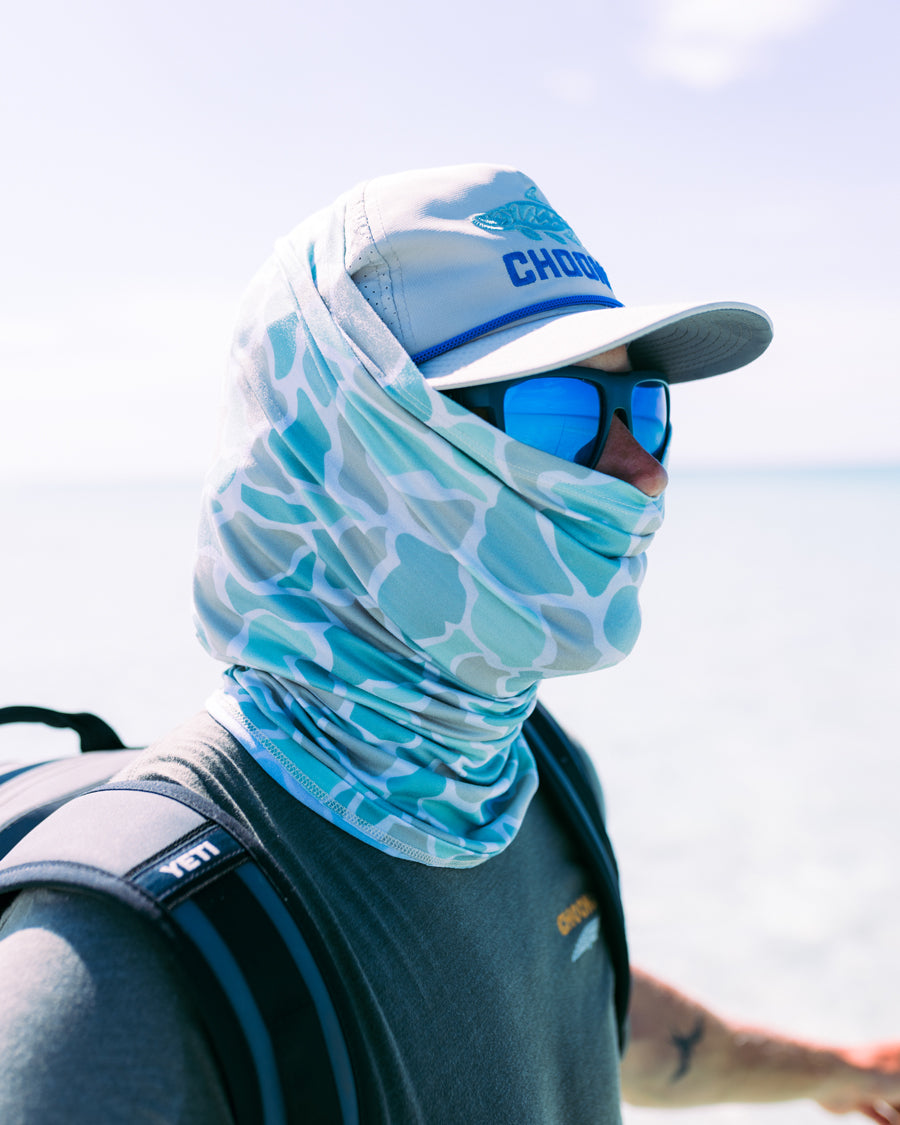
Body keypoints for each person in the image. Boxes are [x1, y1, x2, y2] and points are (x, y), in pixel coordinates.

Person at [0, 162, 898, 1124]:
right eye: (559, 414)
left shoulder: (527, 777)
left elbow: (564, 1006)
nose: (642, 475)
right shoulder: (109, 979)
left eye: (645, 410)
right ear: (358, 447)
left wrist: (840, 1067)